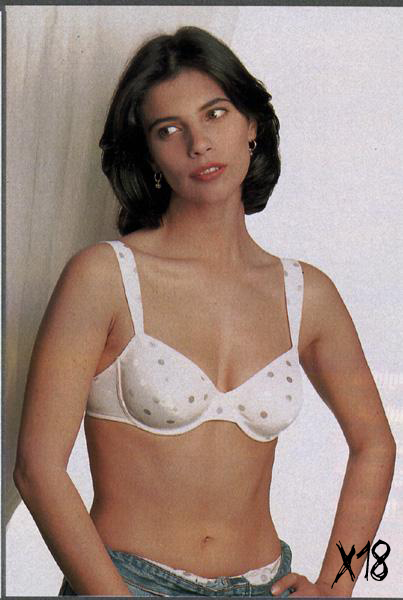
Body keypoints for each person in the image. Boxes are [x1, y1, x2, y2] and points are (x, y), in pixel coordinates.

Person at [13, 26, 395, 597]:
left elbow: (376, 445)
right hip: (125, 585)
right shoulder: (103, 278)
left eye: (215, 114)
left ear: (252, 124)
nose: (199, 144)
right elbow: (38, 468)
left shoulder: (307, 294)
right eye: (169, 129)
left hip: (265, 585)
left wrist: (338, 585)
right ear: (148, 152)